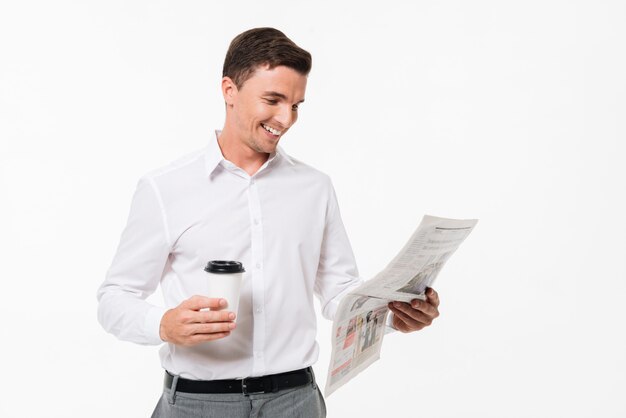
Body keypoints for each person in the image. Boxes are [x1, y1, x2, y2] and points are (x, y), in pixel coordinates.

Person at [97, 27, 440, 418]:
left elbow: (338, 293)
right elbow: (114, 297)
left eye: (296, 104)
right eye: (273, 100)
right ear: (229, 90)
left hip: (295, 401)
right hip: (197, 404)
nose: (286, 118)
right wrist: (163, 323)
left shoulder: (314, 188)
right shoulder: (165, 188)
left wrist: (394, 314)